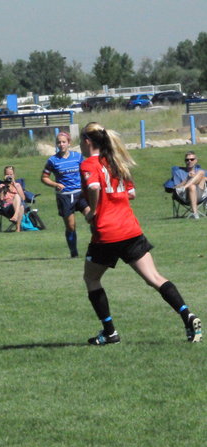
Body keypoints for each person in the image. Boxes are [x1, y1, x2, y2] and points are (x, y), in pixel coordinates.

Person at [79, 122, 202, 345]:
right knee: (154, 278)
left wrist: (93, 211)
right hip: (130, 229)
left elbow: (94, 187)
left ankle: (110, 332)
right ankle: (187, 315)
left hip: (107, 233)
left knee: (91, 278)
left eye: (81, 140)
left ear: (87, 141)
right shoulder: (116, 161)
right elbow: (132, 193)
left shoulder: (89, 163)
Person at [41, 131, 91, 257]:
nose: (61, 144)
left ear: (69, 143)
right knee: (71, 226)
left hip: (80, 194)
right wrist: (55, 184)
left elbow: (86, 171)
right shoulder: (52, 160)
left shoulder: (77, 157)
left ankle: (97, 247)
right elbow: (44, 178)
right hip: (65, 196)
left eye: (64, 142)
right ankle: (74, 253)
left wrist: (88, 182)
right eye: (59, 142)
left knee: (92, 219)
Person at [172, 151, 206, 219]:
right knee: (192, 186)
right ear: (185, 161)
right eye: (187, 160)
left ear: (196, 160)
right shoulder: (178, 172)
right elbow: (175, 187)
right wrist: (187, 179)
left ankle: (185, 187)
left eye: (192, 159)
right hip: (185, 196)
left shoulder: (200, 171)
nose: (189, 161)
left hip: (200, 195)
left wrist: (198, 177)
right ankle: (195, 213)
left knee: (201, 172)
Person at [0, 165, 25, 232]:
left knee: (17, 197)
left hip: (18, 205)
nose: (9, 176)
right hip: (7, 207)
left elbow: (23, 198)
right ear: (4, 175)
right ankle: (18, 227)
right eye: (7, 174)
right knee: (21, 206)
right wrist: (5, 186)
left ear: (14, 175)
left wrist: (14, 184)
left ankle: (15, 217)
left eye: (11, 174)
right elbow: (1, 198)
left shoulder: (17, 185)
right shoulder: (1, 186)